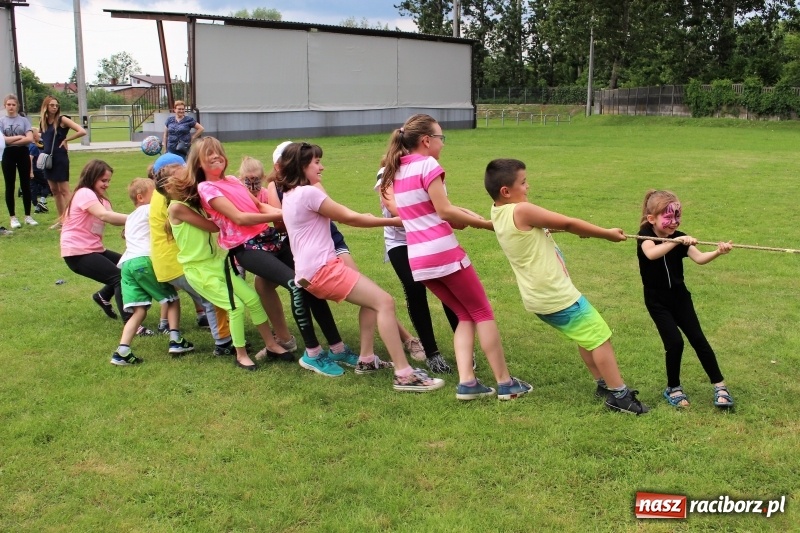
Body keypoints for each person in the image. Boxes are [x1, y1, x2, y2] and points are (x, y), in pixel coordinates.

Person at [379, 114, 531, 401]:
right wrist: (487, 224)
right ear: (426, 140)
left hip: (418, 259)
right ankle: (505, 383)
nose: (442, 144)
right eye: (441, 138)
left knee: (464, 315)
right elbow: (445, 211)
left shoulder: (396, 170)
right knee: (482, 313)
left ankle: (468, 383)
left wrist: (468, 215)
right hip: (443, 253)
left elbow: (431, 208)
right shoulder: (428, 165)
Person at [484, 158, 649, 414]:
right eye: (524, 182)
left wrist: (578, 230)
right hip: (555, 295)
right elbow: (568, 223)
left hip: (539, 296)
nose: (528, 187)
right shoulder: (521, 210)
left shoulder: (498, 211)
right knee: (600, 337)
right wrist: (605, 233)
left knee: (588, 336)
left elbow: (541, 228)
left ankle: (604, 385)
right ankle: (621, 396)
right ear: (506, 191)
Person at [278, 141, 444, 392]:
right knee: (384, 302)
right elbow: (351, 218)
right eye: (316, 163)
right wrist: (403, 220)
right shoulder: (308, 193)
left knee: (371, 301)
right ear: (302, 166)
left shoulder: (290, 195)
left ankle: (366, 360)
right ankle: (405, 374)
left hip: (312, 271)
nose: (321, 167)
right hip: (322, 270)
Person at [191, 137, 354, 374]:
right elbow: (239, 217)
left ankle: (338, 348)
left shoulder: (234, 181)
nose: (216, 157)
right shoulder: (206, 188)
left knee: (312, 283)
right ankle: (313, 354)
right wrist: (284, 215)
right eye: (209, 155)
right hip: (247, 248)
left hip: (270, 240)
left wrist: (283, 212)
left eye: (219, 152)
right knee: (297, 285)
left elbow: (257, 206)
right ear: (198, 163)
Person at [163, 159, 291, 371]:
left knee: (252, 299)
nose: (192, 179)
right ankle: (240, 354)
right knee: (236, 306)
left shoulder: (196, 202)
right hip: (200, 270)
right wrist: (226, 210)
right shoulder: (177, 207)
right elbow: (214, 226)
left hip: (218, 263)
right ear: (172, 186)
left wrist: (225, 205)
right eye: (185, 177)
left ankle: (271, 344)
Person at [638, 189, 734, 409]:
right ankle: (673, 387)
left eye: (677, 217)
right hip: (657, 301)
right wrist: (676, 240)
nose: (674, 222)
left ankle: (720, 385)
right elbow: (652, 254)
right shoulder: (645, 234)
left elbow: (700, 258)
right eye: (668, 217)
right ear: (652, 218)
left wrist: (718, 252)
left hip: (680, 298)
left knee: (698, 339)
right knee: (675, 342)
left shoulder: (679, 235)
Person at [375, 165, 460, 374]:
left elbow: (443, 205)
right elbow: (393, 207)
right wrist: (428, 215)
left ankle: (463, 348)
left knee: (446, 287)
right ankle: (432, 353)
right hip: (401, 241)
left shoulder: (430, 169)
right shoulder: (386, 172)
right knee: (414, 289)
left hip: (430, 236)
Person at [148, 153, 235, 356]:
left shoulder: (159, 193)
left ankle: (220, 335)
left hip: (168, 262)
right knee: (212, 299)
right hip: (177, 262)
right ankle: (223, 343)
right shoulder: (173, 199)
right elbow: (208, 223)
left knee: (209, 298)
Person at [60, 159, 153, 336]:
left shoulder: (102, 199)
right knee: (118, 278)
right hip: (78, 252)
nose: (106, 184)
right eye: (103, 180)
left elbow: (111, 218)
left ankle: (102, 296)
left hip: (93, 249)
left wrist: (131, 228)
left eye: (108, 181)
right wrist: (139, 217)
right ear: (92, 177)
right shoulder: (85, 193)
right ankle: (131, 324)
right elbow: (104, 216)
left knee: (127, 266)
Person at [112, 178, 194, 366]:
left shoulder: (131, 216)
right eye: (154, 193)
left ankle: (122, 350)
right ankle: (176, 340)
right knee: (172, 299)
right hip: (144, 260)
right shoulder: (149, 209)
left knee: (139, 310)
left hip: (127, 265)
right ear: (141, 197)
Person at [39, 96, 86, 229]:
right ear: (46, 106)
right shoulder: (43, 121)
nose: (54, 107)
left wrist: (66, 139)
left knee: (64, 190)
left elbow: (82, 131)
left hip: (59, 157)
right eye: (52, 105)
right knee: (54, 190)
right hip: (47, 158)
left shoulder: (62, 119)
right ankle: (62, 220)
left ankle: (74, 220)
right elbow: (42, 138)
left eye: (56, 105)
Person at [1, 94, 36, 229]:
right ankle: (13, 217)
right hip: (7, 154)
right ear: (5, 106)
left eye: (13, 104)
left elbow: (29, 139)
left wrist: (12, 139)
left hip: (22, 153)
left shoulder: (24, 120)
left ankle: (28, 215)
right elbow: (2, 140)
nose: (11, 107)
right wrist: (19, 136)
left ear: (17, 106)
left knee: (25, 184)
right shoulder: (1, 121)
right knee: (10, 186)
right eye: (8, 104)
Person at [28, 127, 51, 213]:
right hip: (36, 170)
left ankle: (36, 206)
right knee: (48, 184)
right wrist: (31, 172)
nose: (39, 136)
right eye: (38, 134)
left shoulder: (29, 145)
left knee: (33, 188)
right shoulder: (34, 147)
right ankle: (42, 200)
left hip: (31, 171)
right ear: (34, 136)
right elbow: (30, 158)